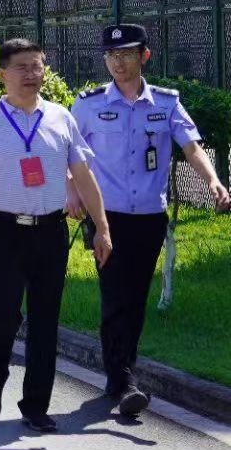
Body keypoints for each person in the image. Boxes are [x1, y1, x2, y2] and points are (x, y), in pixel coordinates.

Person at [69, 23, 231, 416]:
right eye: (111, 55)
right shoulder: (88, 104)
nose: (117, 62)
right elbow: (68, 153)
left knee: (137, 299)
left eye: (126, 54)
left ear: (145, 56)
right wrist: (71, 190)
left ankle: (119, 375)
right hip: (106, 217)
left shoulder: (165, 103)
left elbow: (191, 147)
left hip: (149, 216)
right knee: (114, 293)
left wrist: (213, 181)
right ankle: (125, 382)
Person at [0, 38, 113, 432]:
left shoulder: (61, 118)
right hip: (3, 230)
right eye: (21, 67)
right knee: (1, 315)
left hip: (50, 231)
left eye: (37, 66)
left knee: (46, 321)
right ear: (2, 74)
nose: (31, 75)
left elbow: (83, 176)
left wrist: (102, 228)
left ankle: (36, 406)